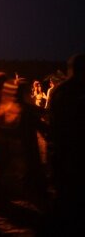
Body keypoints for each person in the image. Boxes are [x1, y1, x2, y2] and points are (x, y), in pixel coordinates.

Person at [47, 53, 85, 233]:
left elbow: (52, 123)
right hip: (74, 152)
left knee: (64, 196)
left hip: (62, 152)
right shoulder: (73, 91)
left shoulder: (59, 91)